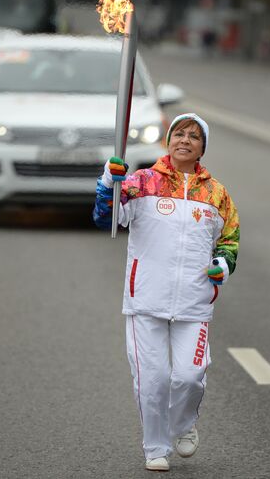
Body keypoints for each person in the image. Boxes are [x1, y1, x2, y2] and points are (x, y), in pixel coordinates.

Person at [93, 113, 240, 472]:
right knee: (152, 380)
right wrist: (108, 183)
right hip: (145, 299)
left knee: (189, 376)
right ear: (168, 139)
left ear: (202, 147)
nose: (185, 140)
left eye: (194, 136)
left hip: (195, 301)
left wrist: (222, 265)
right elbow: (105, 217)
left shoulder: (216, 194)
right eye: (179, 133)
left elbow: (229, 241)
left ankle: (184, 424)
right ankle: (155, 447)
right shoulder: (141, 181)